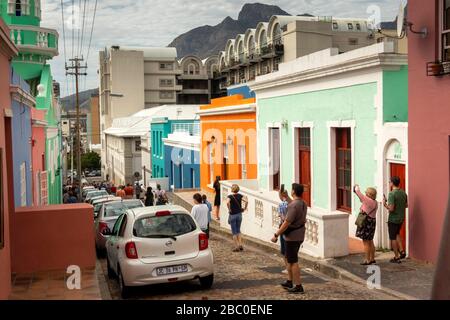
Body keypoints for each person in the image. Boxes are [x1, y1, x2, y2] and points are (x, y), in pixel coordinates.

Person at [271, 183, 307, 294]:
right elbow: (294, 203)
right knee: (288, 258)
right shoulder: (302, 203)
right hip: (299, 234)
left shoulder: (293, 206)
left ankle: (298, 286)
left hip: (292, 237)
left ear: (293, 192)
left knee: (293, 261)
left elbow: (286, 222)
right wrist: (286, 196)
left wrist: (276, 235)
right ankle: (290, 281)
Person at [383, 176, 408, 264]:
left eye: (390, 182)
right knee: (397, 233)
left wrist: (384, 204)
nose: (389, 183)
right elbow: (406, 205)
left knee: (392, 237)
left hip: (393, 219)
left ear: (393, 183)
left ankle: (396, 256)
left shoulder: (392, 194)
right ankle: (402, 251)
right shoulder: (403, 193)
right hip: (401, 218)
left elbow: (391, 209)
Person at [354, 184, 378, 265]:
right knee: (370, 240)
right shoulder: (375, 202)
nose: (365, 194)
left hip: (366, 221)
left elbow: (358, 192)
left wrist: (356, 186)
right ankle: (372, 258)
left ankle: (367, 259)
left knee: (366, 242)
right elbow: (362, 199)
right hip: (372, 221)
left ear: (369, 195)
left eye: (366, 193)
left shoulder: (367, 200)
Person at [226, 184, 248, 252]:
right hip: (239, 215)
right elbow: (246, 201)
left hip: (233, 215)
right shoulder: (240, 195)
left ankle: (237, 246)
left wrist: (229, 209)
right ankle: (240, 244)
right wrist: (245, 208)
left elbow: (227, 202)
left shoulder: (230, 196)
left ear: (232, 189)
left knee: (234, 232)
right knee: (238, 230)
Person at [278, 189, 291, 274]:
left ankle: (287, 268)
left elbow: (282, 217)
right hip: (292, 227)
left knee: (284, 249)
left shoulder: (281, 204)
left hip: (284, 226)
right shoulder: (291, 203)